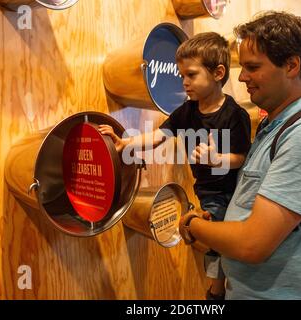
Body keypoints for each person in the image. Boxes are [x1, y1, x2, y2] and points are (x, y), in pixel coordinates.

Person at [179, 11, 301, 300]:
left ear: (292, 65)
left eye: (252, 67)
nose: (242, 77)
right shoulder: (274, 125)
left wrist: (194, 225)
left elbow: (253, 245)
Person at [98, 32, 252, 300]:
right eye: (182, 75)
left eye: (191, 75)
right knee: (218, 238)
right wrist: (128, 143)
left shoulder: (235, 114)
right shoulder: (187, 111)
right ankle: (219, 290)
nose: (184, 82)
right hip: (209, 191)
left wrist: (218, 160)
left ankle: (219, 292)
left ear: (218, 73)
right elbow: (160, 136)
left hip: (236, 189)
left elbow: (241, 157)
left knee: (226, 238)